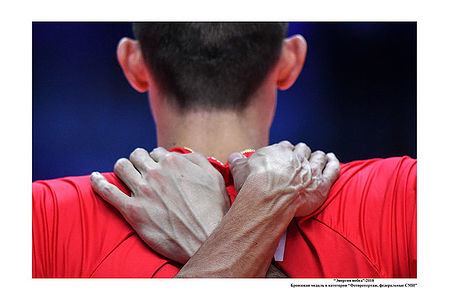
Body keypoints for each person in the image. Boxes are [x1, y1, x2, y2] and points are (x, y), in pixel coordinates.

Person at [33, 23, 416, 278]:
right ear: (290, 62)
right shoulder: (406, 195)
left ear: (133, 64)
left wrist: (224, 236)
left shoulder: (39, 220)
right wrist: (257, 210)